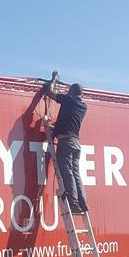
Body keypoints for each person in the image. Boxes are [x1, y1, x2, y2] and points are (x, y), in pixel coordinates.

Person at [45, 74, 88, 213]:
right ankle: (83, 203)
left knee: (68, 173)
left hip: (66, 142)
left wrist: (53, 80)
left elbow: (49, 93)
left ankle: (73, 203)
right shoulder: (83, 106)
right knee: (76, 174)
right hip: (76, 143)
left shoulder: (69, 100)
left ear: (72, 92)